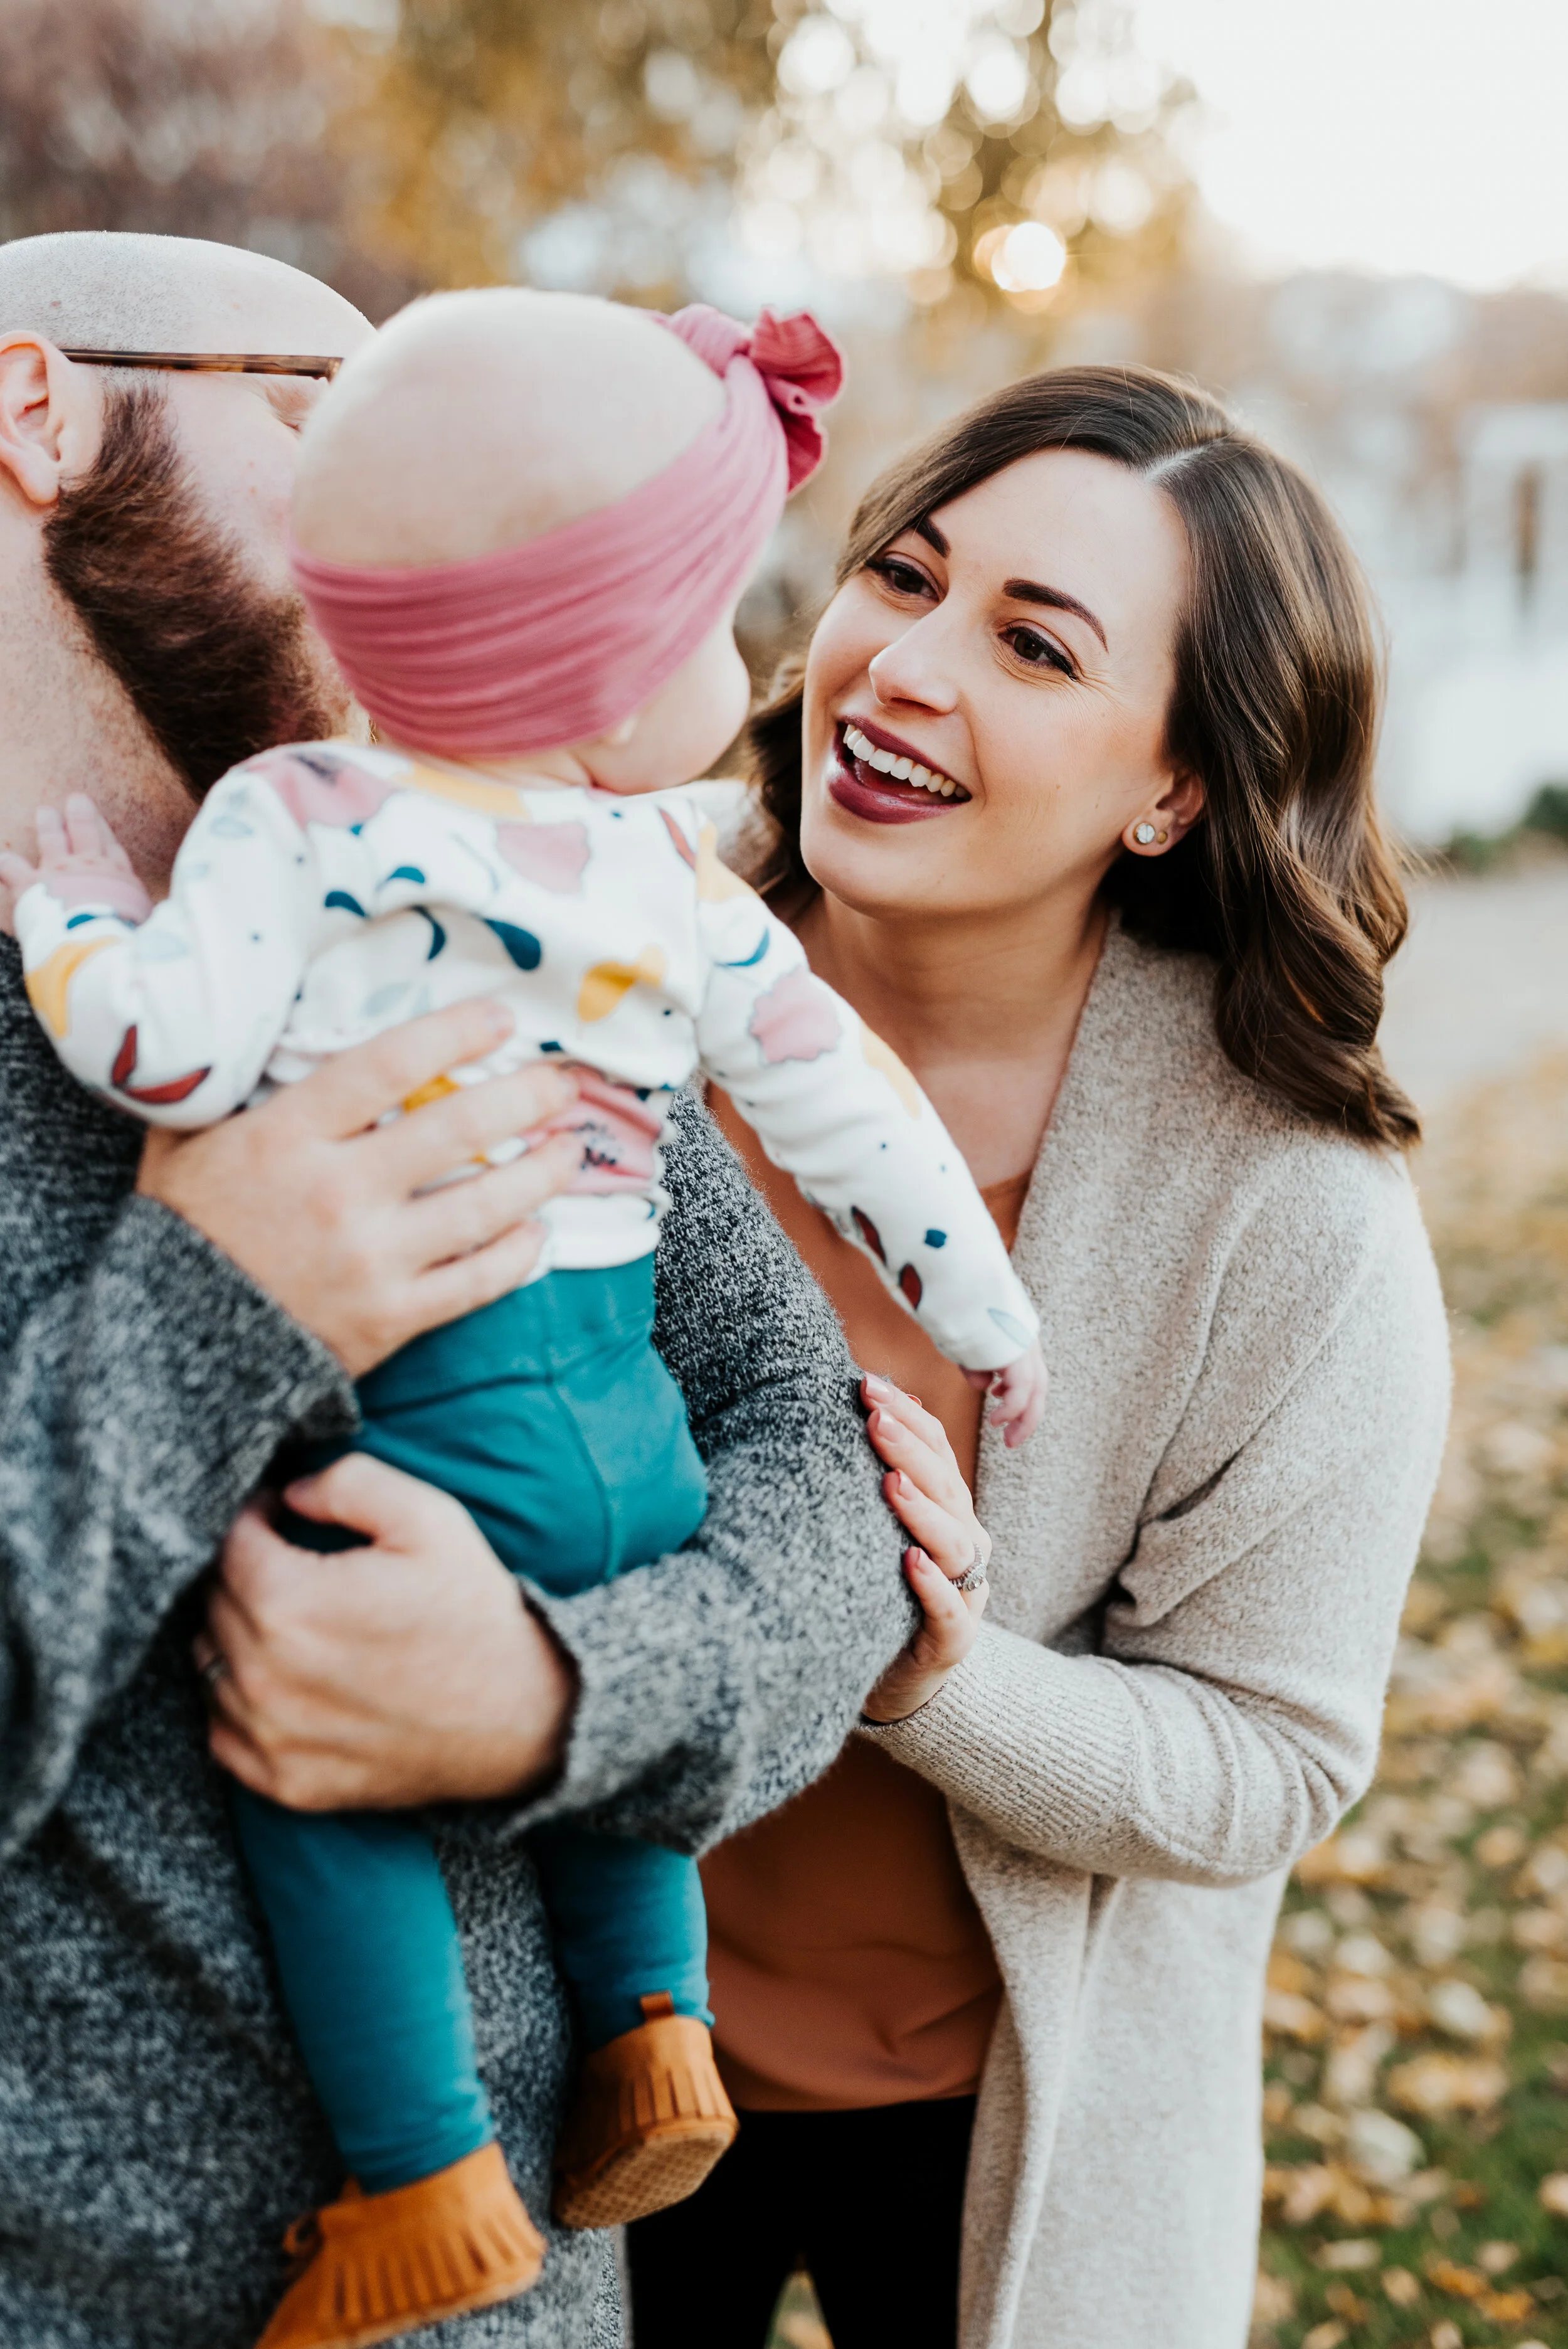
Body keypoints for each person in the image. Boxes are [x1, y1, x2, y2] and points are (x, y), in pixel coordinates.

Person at [1, 284, 1046, 2349]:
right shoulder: (247, 924)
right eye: (329, 401)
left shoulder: (502, 917)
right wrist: (209, 1306)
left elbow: (811, 1465)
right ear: (33, 400)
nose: (411, 494)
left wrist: (563, 1700)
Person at [627, 366, 1453, 2349]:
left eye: (1029, 645)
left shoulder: (1287, 1206)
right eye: (898, 578)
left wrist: (938, 1673)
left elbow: (1265, 1758)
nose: (904, 667)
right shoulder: (592, 933)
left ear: (1174, 784)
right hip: (573, 2039)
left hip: (996, 2111)